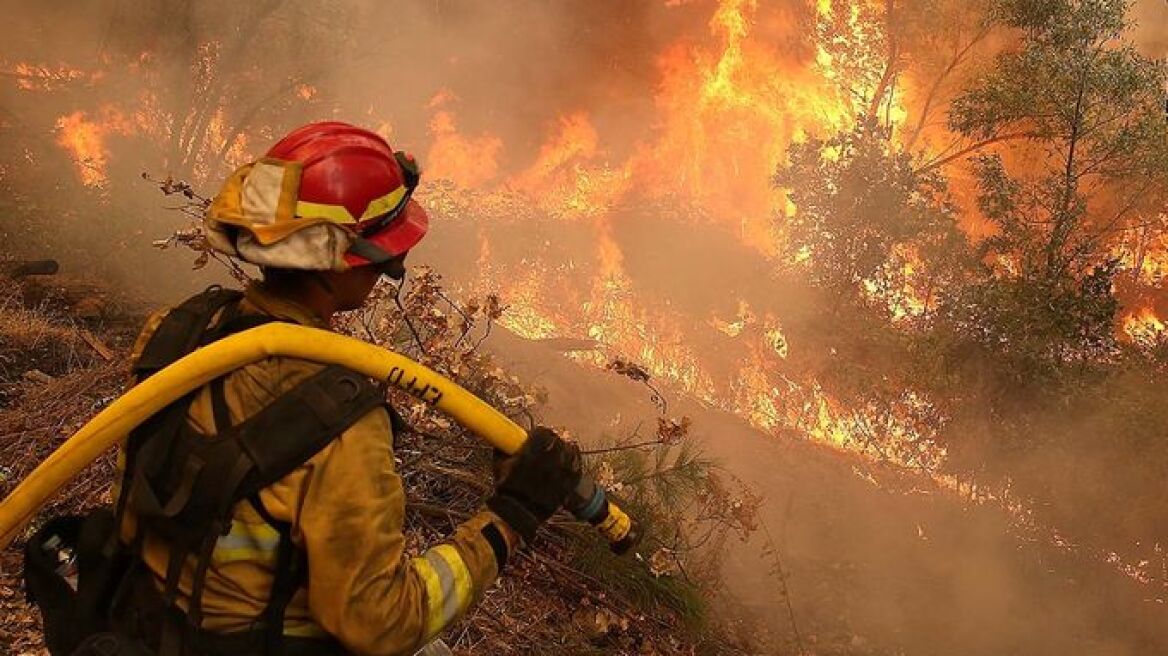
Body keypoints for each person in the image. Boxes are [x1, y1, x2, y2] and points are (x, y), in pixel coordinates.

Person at [106, 122, 583, 656]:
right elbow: (380, 624)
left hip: (144, 619)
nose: (391, 270)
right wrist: (512, 516)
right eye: (384, 253)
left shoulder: (176, 330)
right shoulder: (335, 424)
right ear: (333, 260)